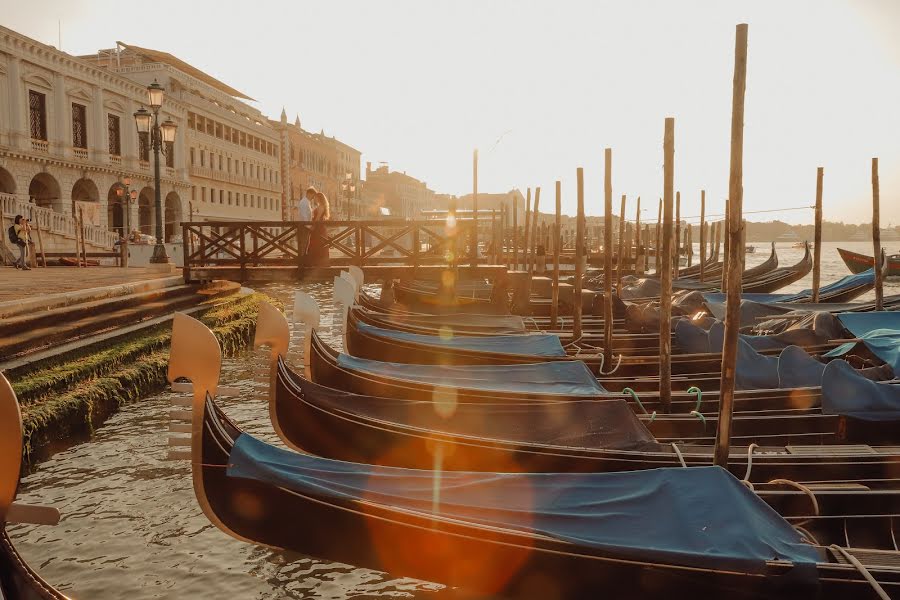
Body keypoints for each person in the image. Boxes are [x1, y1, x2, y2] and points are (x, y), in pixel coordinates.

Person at [305, 192, 331, 266]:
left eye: (316, 197)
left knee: (317, 243)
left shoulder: (321, 206)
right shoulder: (321, 206)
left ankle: (316, 262)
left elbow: (317, 218)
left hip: (318, 228)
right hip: (320, 228)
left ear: (319, 198)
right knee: (317, 244)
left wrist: (313, 227)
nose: (314, 199)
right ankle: (317, 262)